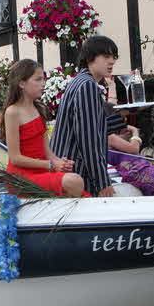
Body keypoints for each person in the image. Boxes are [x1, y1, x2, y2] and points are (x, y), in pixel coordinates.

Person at [3, 59, 85, 197]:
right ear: (22, 83)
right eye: (38, 79)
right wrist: (51, 165)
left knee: (75, 179)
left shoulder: (39, 108)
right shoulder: (12, 112)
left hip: (42, 170)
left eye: (43, 79)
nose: (43, 84)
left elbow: (48, 152)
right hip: (21, 177)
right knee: (74, 181)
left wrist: (59, 162)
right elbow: (15, 158)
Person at [50, 36, 118, 197]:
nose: (112, 62)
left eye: (113, 57)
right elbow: (89, 140)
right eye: (106, 56)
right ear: (90, 58)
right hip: (77, 172)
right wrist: (102, 182)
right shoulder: (86, 85)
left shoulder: (79, 82)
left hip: (67, 169)